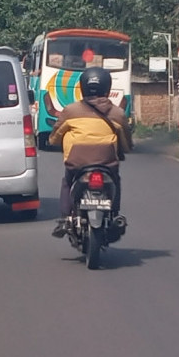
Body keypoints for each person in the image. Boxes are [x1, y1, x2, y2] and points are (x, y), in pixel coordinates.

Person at [48, 66, 133, 238]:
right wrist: (123, 150)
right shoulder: (117, 113)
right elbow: (125, 143)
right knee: (115, 182)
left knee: (67, 182)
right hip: (107, 163)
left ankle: (65, 219)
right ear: (107, 88)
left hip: (77, 163)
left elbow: (55, 137)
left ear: (83, 87)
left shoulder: (71, 111)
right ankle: (115, 214)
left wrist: (56, 142)